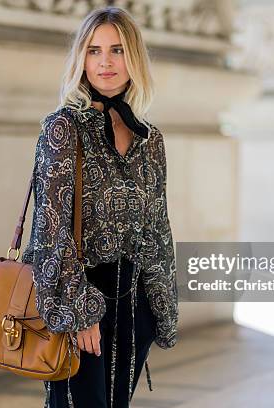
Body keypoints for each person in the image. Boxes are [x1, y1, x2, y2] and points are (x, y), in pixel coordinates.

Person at [21, 5, 178, 408]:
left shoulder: (150, 139)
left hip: (134, 306)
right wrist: (79, 309)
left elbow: (158, 228)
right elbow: (50, 228)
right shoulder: (63, 127)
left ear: (134, 58)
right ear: (81, 59)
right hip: (80, 301)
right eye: (93, 51)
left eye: (117, 50)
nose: (105, 62)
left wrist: (156, 311)